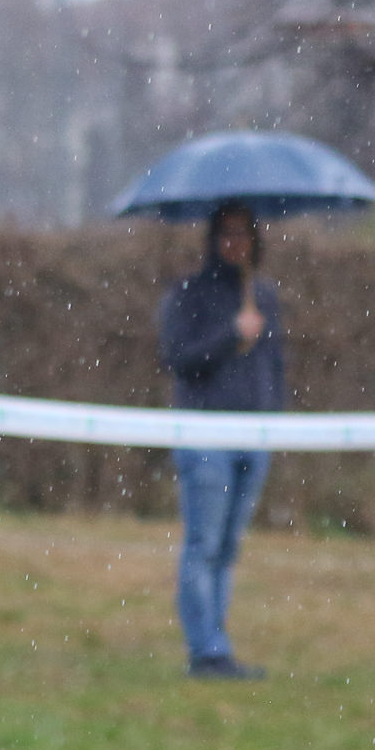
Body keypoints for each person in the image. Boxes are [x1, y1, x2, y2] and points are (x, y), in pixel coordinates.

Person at [157, 201, 284, 680]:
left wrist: (276, 419)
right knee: (204, 544)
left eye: (244, 233)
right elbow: (179, 358)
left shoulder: (263, 296)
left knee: (228, 548)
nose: (236, 243)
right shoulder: (189, 294)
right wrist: (230, 335)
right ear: (213, 240)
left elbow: (274, 367)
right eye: (227, 234)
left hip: (256, 436)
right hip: (206, 435)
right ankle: (207, 651)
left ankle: (218, 642)